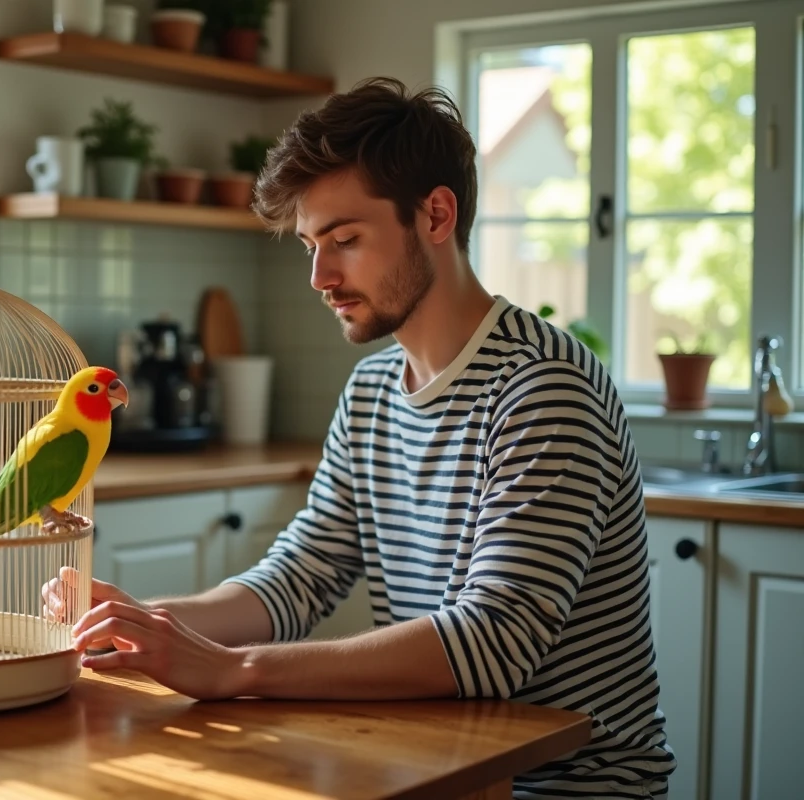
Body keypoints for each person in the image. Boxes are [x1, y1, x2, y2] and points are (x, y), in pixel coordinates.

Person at [42, 76, 676, 799]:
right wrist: (140, 626)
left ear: (436, 215)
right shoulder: (374, 391)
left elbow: (492, 644)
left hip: (566, 790)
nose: (319, 275)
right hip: (435, 767)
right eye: (312, 245)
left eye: (344, 239)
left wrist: (233, 669)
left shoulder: (544, 389)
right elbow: (299, 578)